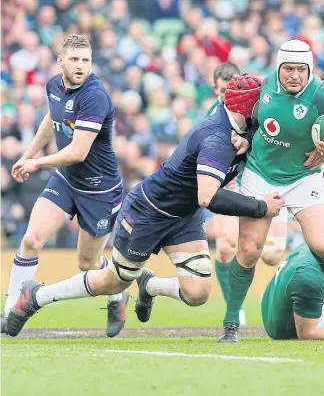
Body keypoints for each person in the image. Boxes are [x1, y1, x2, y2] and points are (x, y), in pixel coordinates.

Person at [5, 74, 285, 338]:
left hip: (183, 216)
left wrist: (249, 140)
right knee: (115, 281)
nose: (267, 112)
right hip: (149, 211)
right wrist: (260, 207)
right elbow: (208, 198)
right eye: (261, 106)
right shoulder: (217, 138)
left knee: (198, 292)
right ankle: (37, 295)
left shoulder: (238, 128)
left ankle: (149, 285)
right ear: (247, 109)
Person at [219, 39, 324, 343]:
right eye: (288, 68)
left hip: (304, 176)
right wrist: (238, 140)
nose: (295, 75)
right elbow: (227, 113)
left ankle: (321, 305)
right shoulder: (259, 87)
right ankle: (231, 322)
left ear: (310, 70)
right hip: (260, 175)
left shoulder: (323, 93)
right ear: (278, 67)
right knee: (249, 250)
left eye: (301, 69)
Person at [0, 34, 127, 337]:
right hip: (66, 180)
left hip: (99, 190)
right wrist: (28, 155)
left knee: (88, 263)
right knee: (31, 240)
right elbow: (51, 119)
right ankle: (9, 312)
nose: (81, 66)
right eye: (74, 59)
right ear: (60, 62)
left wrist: (36, 163)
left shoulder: (95, 96)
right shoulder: (53, 86)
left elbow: (77, 152)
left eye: (86, 60)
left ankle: (116, 294)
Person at [209, 64, 290, 327]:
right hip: (232, 187)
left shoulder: (259, 111)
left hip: (260, 184)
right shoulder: (213, 118)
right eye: (222, 91)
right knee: (225, 247)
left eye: (230, 91)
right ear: (216, 90)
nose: (226, 97)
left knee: (272, 255)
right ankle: (236, 306)